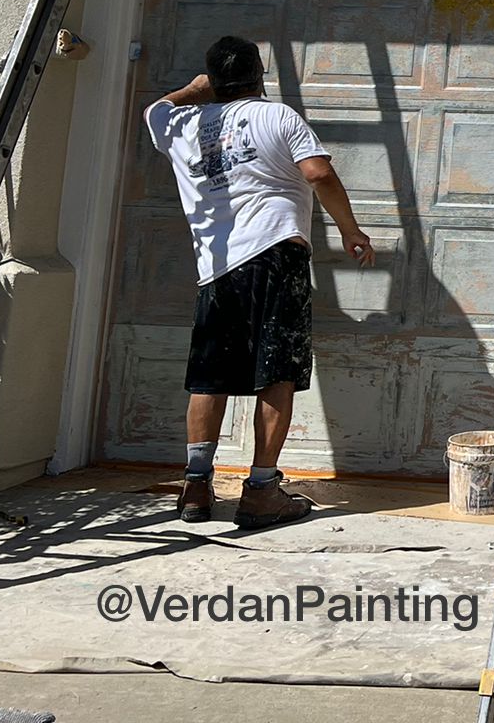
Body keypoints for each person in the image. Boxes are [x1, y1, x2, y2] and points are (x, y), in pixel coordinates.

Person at [143, 35, 375, 528]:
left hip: (217, 268)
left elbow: (156, 111)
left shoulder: (182, 124)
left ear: (212, 80)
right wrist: (350, 229)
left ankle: (197, 486)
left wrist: (193, 90)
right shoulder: (278, 117)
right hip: (275, 256)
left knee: (209, 377)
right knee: (276, 373)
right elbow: (318, 173)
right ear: (259, 74)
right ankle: (262, 490)